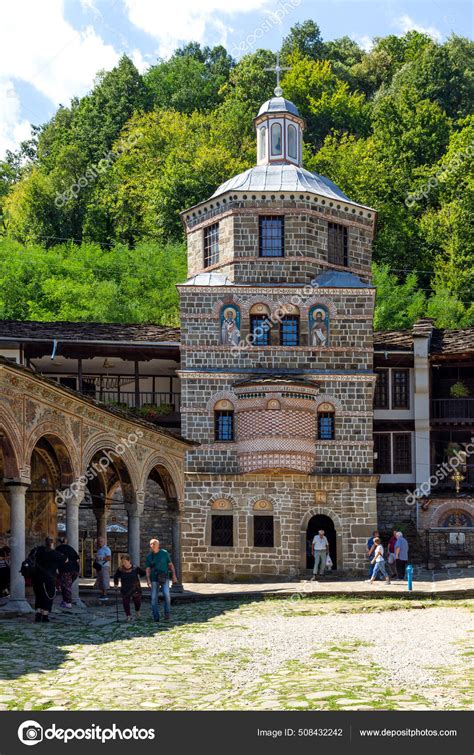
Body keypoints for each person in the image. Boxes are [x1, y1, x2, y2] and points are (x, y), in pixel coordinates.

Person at [33, 537, 66, 623]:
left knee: (39, 596)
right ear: (52, 544)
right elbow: (65, 559)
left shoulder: (38, 551)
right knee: (48, 596)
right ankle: (45, 615)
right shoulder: (54, 553)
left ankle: (38, 614)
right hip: (49, 578)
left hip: (37, 578)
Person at [145, 538, 177, 622]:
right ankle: (156, 616)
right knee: (153, 598)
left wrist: (174, 575)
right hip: (154, 578)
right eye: (151, 544)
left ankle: (167, 614)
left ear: (158, 545)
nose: (152, 545)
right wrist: (148, 579)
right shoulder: (149, 556)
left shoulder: (164, 553)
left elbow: (170, 565)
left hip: (164, 577)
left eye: (154, 544)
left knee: (167, 595)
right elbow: (148, 569)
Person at [113, 555, 146, 622]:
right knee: (125, 602)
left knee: (137, 601)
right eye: (122, 562)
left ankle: (137, 612)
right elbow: (115, 576)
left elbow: (143, 573)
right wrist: (116, 584)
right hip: (125, 588)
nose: (124, 563)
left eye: (125, 561)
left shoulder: (135, 568)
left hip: (135, 588)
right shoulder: (120, 569)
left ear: (129, 561)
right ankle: (128, 616)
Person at [56, 536, 80, 608]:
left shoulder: (58, 549)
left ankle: (67, 602)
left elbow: (56, 559)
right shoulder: (71, 549)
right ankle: (65, 601)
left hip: (66, 570)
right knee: (67, 585)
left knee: (66, 586)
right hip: (75, 569)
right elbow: (77, 559)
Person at [95, 536, 111, 601]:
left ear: (104, 542)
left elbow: (109, 558)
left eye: (101, 541)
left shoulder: (106, 549)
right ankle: (102, 593)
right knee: (100, 580)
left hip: (104, 566)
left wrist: (100, 558)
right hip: (99, 566)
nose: (100, 543)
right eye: (99, 541)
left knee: (104, 579)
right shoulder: (99, 549)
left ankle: (105, 594)